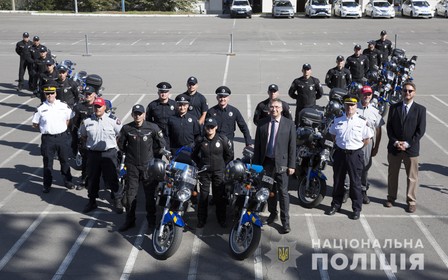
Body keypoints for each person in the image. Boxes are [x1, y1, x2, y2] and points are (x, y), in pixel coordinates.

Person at [117, 104, 167, 231]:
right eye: (135, 114)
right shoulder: (127, 128)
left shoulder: (152, 128)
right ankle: (130, 220)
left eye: (140, 113)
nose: (138, 116)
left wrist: (152, 156)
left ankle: (151, 221)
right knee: (130, 195)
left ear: (144, 114)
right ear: (132, 115)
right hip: (132, 166)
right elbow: (121, 145)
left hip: (148, 167)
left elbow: (161, 144)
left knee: (150, 196)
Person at [327, 94, 374, 220]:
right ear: (344, 105)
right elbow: (333, 134)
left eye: (352, 105)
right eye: (348, 104)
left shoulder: (362, 121)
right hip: (340, 154)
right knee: (338, 181)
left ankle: (356, 209)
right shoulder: (338, 120)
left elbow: (367, 139)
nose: (350, 107)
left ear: (356, 106)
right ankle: (336, 205)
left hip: (355, 154)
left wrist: (355, 147)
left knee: (355, 183)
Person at [253, 98, 296, 234]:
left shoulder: (289, 124)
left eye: (277, 107)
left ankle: (285, 222)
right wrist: (256, 166)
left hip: (282, 164)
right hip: (267, 163)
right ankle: (273, 214)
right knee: (269, 191)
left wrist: (292, 165)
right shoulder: (262, 124)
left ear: (282, 109)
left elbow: (292, 147)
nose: (274, 109)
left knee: (283, 193)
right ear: (268, 109)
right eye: (272, 107)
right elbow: (258, 147)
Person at [384, 81, 426, 213]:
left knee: (412, 177)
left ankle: (411, 201)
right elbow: (389, 127)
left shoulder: (420, 110)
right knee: (392, 175)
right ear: (401, 92)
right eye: (405, 90)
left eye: (410, 91)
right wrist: (396, 142)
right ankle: (391, 198)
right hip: (394, 148)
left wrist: (407, 144)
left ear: (414, 93)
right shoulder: (394, 107)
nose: (407, 93)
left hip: (411, 149)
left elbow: (420, 131)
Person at [79, 97, 124, 214]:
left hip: (109, 153)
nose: (97, 108)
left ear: (104, 107)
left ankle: (117, 200)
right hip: (93, 154)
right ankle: (92, 201)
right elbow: (82, 134)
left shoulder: (113, 120)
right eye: (95, 106)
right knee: (92, 178)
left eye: (99, 106)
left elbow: (121, 134)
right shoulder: (87, 121)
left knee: (113, 177)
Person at [31, 82, 76, 193]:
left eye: (52, 93)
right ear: (45, 94)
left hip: (62, 137)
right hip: (48, 139)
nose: (50, 95)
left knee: (64, 160)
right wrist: (45, 130)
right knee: (48, 162)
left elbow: (69, 118)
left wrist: (62, 128)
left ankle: (68, 181)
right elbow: (35, 124)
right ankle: (47, 184)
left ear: (56, 93)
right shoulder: (41, 108)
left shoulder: (63, 106)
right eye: (48, 93)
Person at [192, 117, 233, 228]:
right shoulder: (200, 140)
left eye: (212, 127)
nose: (209, 129)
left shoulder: (222, 139)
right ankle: (201, 219)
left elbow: (229, 155)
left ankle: (221, 219)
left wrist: (222, 166)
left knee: (219, 196)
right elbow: (194, 155)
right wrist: (201, 165)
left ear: (216, 127)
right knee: (204, 197)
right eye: (207, 127)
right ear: (204, 127)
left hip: (219, 172)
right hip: (204, 173)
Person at [356, 85, 385, 204]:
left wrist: (376, 147)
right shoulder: (353, 107)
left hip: (368, 143)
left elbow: (378, 130)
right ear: (360, 95)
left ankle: (363, 190)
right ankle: (347, 190)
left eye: (369, 94)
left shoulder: (374, 111)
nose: (366, 96)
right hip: (354, 142)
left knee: (365, 167)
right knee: (350, 167)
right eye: (364, 94)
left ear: (371, 95)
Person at [71, 86, 97, 190]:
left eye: (90, 94)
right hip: (85, 139)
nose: (88, 96)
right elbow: (75, 124)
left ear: (94, 94)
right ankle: (84, 180)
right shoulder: (79, 107)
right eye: (86, 94)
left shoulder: (100, 105)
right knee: (86, 161)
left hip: (98, 139)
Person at [146, 82, 177, 149]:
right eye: (161, 92)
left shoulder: (175, 105)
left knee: (172, 157)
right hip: (157, 136)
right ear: (158, 93)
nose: (163, 94)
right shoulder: (152, 105)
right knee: (156, 158)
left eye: (165, 92)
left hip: (171, 136)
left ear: (169, 93)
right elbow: (148, 122)